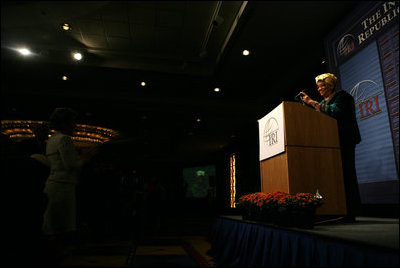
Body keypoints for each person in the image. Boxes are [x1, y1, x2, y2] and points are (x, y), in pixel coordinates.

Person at [300, 73, 362, 221]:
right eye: (318, 87)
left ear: (331, 86)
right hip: (328, 143)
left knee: (346, 175)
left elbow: (336, 111)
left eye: (323, 86)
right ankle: (336, 208)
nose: (320, 89)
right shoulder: (324, 102)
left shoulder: (343, 97)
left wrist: (313, 103)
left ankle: (349, 211)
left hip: (343, 141)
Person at [42, 107, 83, 262]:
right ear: (65, 123)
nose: (75, 125)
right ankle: (55, 256)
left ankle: (53, 256)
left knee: (53, 224)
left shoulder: (52, 139)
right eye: (72, 122)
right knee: (60, 225)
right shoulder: (64, 139)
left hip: (53, 183)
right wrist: (86, 158)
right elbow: (71, 165)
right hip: (62, 185)